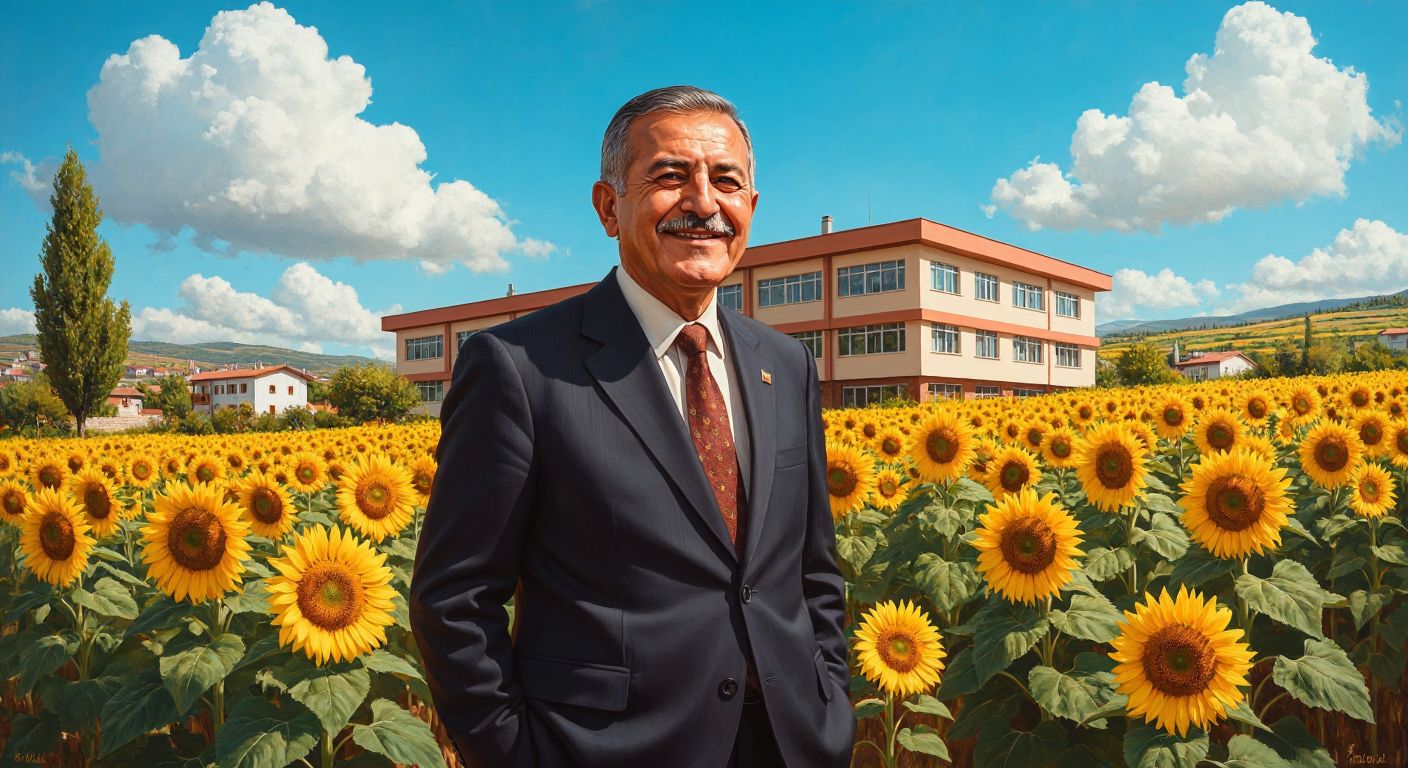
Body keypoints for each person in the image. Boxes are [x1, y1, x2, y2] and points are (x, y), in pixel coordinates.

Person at [409, 85, 855, 767]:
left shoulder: (785, 363)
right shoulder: (520, 368)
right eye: (670, 176)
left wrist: (831, 702)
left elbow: (812, 572)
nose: (703, 203)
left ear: (751, 209)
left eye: (726, 181)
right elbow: (455, 601)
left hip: (791, 743)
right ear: (608, 207)